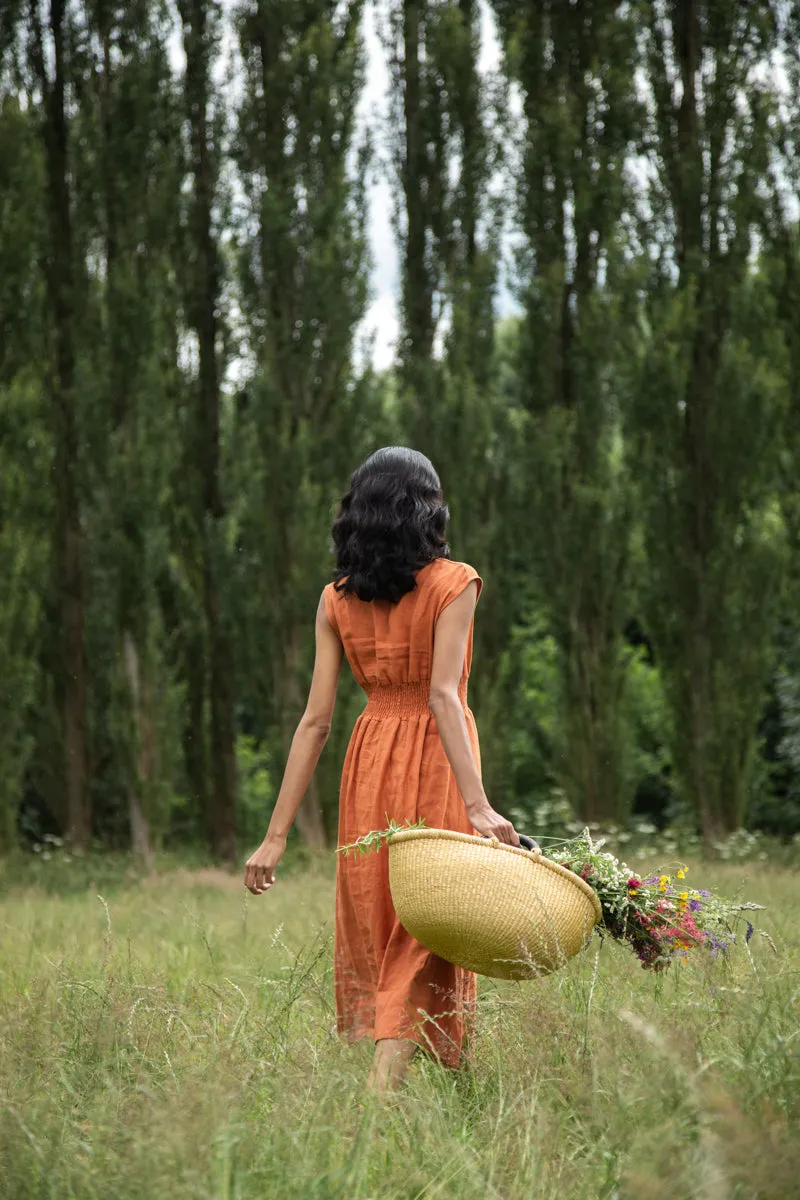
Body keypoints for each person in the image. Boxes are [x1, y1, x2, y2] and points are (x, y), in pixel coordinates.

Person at [243, 446, 519, 1096]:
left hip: (368, 767)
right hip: (435, 764)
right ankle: (379, 1099)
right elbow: (443, 696)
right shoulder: (457, 584)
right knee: (432, 925)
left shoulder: (337, 600)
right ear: (427, 508)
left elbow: (315, 722)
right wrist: (478, 805)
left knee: (401, 920)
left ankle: (455, 1094)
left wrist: (275, 835)